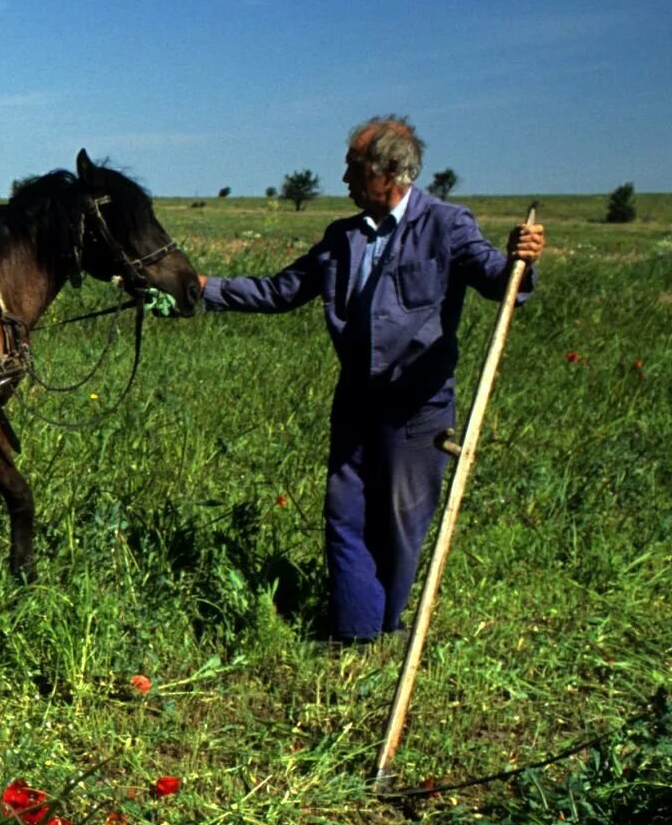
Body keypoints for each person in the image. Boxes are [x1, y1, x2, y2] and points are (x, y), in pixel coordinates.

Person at [198, 116, 545, 644]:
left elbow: (500, 281)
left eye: (353, 169)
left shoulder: (446, 225)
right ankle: (356, 633)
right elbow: (279, 291)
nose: (344, 181)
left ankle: (387, 627)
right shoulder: (342, 237)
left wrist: (521, 259)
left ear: (390, 172)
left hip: (418, 405)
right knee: (344, 515)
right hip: (356, 400)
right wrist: (199, 286)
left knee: (400, 524)